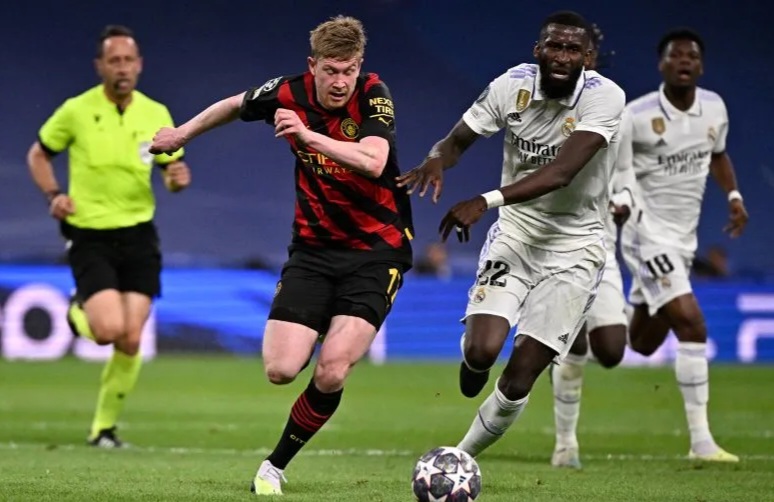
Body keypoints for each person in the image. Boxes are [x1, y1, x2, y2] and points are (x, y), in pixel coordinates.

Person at [149, 15, 413, 495]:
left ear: (360, 67)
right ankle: (318, 338)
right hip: (312, 251)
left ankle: (274, 465)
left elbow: (374, 160)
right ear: (312, 66)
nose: (339, 82)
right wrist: (182, 134)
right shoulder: (288, 92)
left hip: (378, 249)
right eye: (330, 70)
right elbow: (234, 104)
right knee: (281, 369)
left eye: (348, 70)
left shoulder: (374, 93)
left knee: (332, 368)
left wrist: (308, 137)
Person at [397, 11, 625, 459]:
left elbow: (561, 172)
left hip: (576, 248)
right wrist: (436, 159)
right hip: (517, 235)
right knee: (482, 351)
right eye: (554, 47)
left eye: (572, 50)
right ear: (538, 50)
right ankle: (472, 360)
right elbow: (457, 140)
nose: (562, 57)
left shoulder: (605, 98)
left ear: (588, 58)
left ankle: (458, 457)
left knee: (521, 374)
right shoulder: (511, 85)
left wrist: (484, 201)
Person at [26, 25, 191, 448]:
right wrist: (53, 194)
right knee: (106, 332)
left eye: (128, 60)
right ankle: (76, 311)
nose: (122, 68)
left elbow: (170, 174)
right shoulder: (76, 110)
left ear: (139, 66)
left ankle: (104, 429)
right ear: (100, 66)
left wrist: (177, 179)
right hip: (90, 234)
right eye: (113, 60)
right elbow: (39, 153)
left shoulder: (157, 113)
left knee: (132, 338)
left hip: (138, 234)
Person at [619, 28, 747, 462]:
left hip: (682, 238)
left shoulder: (714, 108)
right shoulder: (636, 115)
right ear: (662, 64)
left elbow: (717, 154)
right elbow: (616, 169)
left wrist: (733, 197)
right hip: (644, 233)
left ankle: (602, 319)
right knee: (692, 323)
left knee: (644, 342)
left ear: (701, 65)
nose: (684, 61)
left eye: (692, 55)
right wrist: (620, 202)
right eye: (676, 55)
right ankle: (701, 442)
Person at [548, 22, 634, 469]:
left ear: (591, 57)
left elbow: (629, 172)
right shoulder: (544, 102)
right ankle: (566, 443)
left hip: (600, 245)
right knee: (572, 344)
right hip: (554, 244)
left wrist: (624, 199)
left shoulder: (619, 106)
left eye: (581, 51)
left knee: (612, 351)